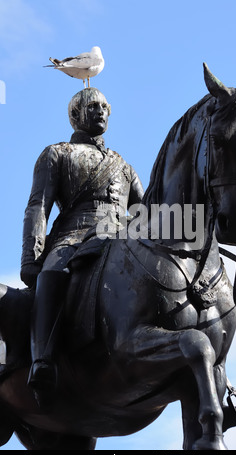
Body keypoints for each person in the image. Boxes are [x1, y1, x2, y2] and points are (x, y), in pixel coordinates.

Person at [21, 87, 144, 402]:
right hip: (74, 235)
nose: (101, 111)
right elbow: (39, 207)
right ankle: (42, 360)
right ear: (75, 114)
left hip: (120, 235)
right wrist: (32, 258)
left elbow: (148, 213)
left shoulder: (124, 166)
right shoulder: (57, 153)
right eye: (93, 106)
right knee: (53, 274)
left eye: (105, 107)